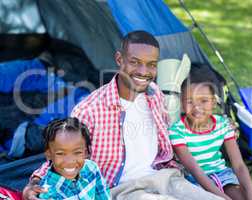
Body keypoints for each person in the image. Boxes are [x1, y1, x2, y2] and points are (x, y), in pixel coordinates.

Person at [23, 30, 223, 200]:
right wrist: (35, 181)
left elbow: (174, 131)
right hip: (123, 189)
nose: (143, 71)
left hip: (165, 177)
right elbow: (63, 153)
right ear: (120, 59)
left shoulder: (155, 94)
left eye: (151, 64)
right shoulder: (89, 110)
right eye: (135, 62)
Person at [168, 67, 252, 200]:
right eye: (189, 102)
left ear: (214, 103)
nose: (197, 107)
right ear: (181, 104)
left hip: (222, 175)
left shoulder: (223, 125)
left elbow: (238, 165)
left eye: (204, 101)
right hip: (193, 181)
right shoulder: (177, 131)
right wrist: (222, 198)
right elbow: (195, 170)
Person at [36, 117, 110, 199]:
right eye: (60, 153)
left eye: (77, 152)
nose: (70, 161)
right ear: (49, 154)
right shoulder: (47, 194)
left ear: (86, 152)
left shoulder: (91, 168)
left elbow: (103, 196)